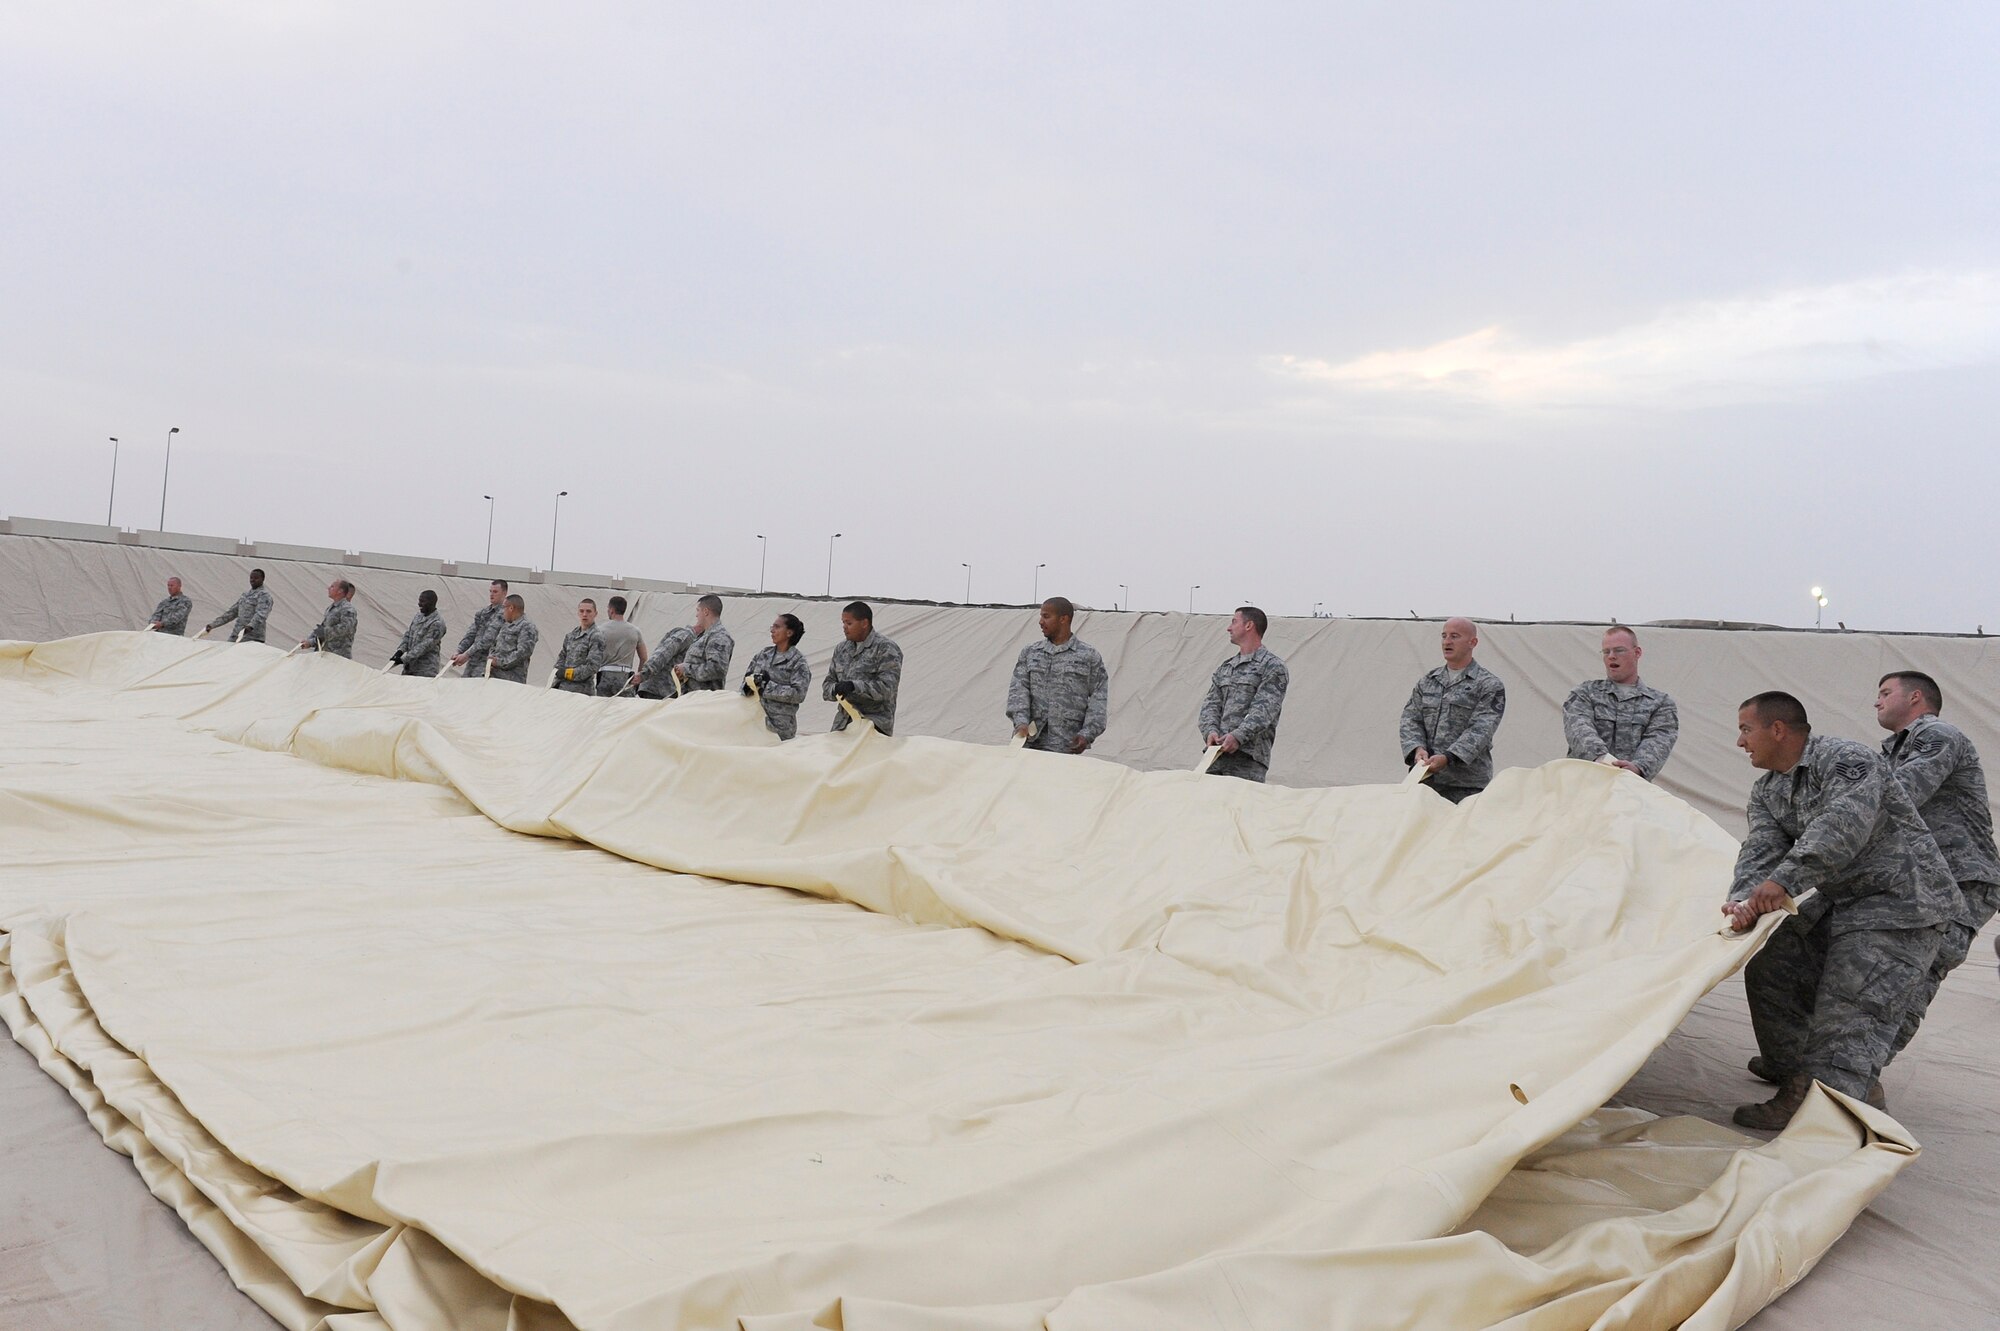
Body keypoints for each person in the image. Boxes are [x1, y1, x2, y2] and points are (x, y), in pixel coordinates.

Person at [1722, 691, 1960, 1128]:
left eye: (1745, 729)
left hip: (1901, 903)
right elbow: (1761, 848)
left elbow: (1842, 826)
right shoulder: (1770, 788)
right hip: (1845, 900)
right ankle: (1801, 1080)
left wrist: (1782, 883)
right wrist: (1743, 899)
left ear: (1777, 729)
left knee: (1847, 1015)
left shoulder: (1846, 760)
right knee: (1773, 964)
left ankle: (1840, 1140)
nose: (1740, 742)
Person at [1871, 671, 2000, 1062]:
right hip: (1926, 880)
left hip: (1962, 882)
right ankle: (1817, 1068)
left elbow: (1895, 796)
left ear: (1915, 698)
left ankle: (1858, 1079)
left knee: (1916, 977)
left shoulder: (1937, 736)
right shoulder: (1893, 751)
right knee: (1882, 974)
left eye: (1885, 692)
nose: (1876, 701)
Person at [1400, 617, 1507, 803]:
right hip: (1425, 784)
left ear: (1472, 642)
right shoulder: (1428, 681)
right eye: (1444, 636)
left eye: (1454, 636)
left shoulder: (1488, 685)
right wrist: (1417, 749)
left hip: (1466, 786)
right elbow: (1411, 718)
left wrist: (1448, 758)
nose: (1447, 642)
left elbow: (1481, 730)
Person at [1560, 626, 1678, 778]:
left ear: (1637, 653)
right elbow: (1578, 728)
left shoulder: (1661, 704)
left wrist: (1637, 768)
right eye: (1606, 651)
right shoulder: (1585, 693)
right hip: (1584, 786)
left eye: (1619, 650)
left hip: (1629, 790)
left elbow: (1659, 740)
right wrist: (1603, 760)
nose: (1611, 656)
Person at [1006, 597, 1110, 755]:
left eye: (1046, 617)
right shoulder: (1031, 652)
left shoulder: (1088, 656)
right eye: (1041, 616)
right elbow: (1019, 689)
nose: (1040, 622)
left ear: (1063, 619)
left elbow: (1098, 698)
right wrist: (1020, 722)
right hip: (1028, 743)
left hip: (1065, 745)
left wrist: (1087, 734)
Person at [1197, 606, 1289, 782]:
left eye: (1234, 622)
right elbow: (1210, 706)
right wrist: (1210, 732)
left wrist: (1237, 737)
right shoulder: (1226, 668)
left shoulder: (1272, 667)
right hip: (1215, 759)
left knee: (1241, 809)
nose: (1229, 628)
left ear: (1249, 626)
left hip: (1247, 761)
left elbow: (1264, 711)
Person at [824, 601, 903, 734]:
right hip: (843, 724)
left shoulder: (886, 648)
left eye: (849, 623)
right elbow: (827, 685)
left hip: (873, 726)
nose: (844, 627)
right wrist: (835, 689)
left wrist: (854, 686)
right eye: (843, 623)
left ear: (864, 623)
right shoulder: (842, 649)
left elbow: (887, 689)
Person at [742, 613, 812, 739]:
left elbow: (798, 694)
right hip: (754, 722)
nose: (772, 630)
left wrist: (767, 686)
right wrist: (747, 687)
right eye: (772, 627)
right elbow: (747, 678)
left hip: (779, 729)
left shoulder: (798, 662)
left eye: (777, 627)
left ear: (789, 633)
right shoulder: (763, 654)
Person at [675, 594, 736, 692]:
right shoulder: (705, 636)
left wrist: (686, 669)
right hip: (692, 698)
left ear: (706, 611)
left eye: (698, 610)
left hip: (704, 701)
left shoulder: (719, 637)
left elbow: (716, 669)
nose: (696, 615)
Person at [594, 595, 648, 696]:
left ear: (611, 610)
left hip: (604, 676)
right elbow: (644, 658)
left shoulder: (600, 630)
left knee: (602, 709)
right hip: (625, 677)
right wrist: (639, 676)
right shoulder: (635, 631)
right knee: (624, 710)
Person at [450, 580, 509, 673]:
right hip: (473, 661)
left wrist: (466, 655)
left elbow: (488, 639)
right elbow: (471, 634)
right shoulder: (483, 613)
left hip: (489, 664)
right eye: (490, 591)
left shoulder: (504, 614)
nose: (491, 594)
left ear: (504, 593)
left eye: (495, 592)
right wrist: (459, 651)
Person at [551, 599, 607, 694]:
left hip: (581, 692)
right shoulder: (571, 635)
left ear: (595, 614)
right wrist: (558, 673)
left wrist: (567, 674)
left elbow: (592, 667)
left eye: (588, 611)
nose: (584, 614)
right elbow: (561, 658)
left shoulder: (596, 636)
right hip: (562, 689)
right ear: (578, 613)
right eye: (581, 611)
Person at [205, 568, 273, 643]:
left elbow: (261, 614)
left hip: (252, 637)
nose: (252, 580)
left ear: (262, 579)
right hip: (237, 634)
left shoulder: (264, 596)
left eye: (256, 578)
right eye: (251, 578)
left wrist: (250, 626)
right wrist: (213, 625)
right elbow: (232, 612)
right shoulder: (245, 595)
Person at [390, 590, 447, 677]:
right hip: (410, 668)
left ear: (431, 602)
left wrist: (403, 659)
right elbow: (408, 635)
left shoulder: (437, 623)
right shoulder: (418, 616)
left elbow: (425, 646)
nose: (419, 604)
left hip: (425, 670)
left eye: (422, 601)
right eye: (419, 600)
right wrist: (400, 651)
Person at [487, 594, 540, 684]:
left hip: (511, 681)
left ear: (511, 608)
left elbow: (522, 653)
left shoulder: (527, 627)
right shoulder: (506, 625)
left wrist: (499, 663)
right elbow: (495, 645)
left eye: (504, 607)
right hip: (494, 677)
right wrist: (491, 659)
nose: (502, 611)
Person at [637, 620, 697, 699]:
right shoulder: (686, 636)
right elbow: (662, 653)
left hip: (668, 693)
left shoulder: (694, 641)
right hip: (658, 690)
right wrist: (644, 673)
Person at [302, 579, 359, 658]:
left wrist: (323, 633)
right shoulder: (331, 608)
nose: (328, 588)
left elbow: (345, 629)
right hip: (324, 654)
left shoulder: (347, 609)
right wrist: (310, 641)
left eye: (332, 587)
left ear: (340, 591)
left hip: (338, 656)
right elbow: (323, 628)